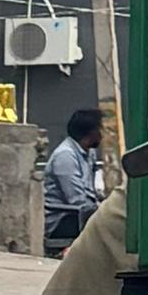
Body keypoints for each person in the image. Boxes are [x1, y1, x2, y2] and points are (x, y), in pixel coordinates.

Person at [39, 106, 108, 256]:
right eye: (101, 130)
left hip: (81, 214)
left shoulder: (88, 153)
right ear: (91, 132)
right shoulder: (65, 156)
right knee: (111, 226)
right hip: (62, 218)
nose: (103, 135)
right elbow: (77, 200)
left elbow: (89, 192)